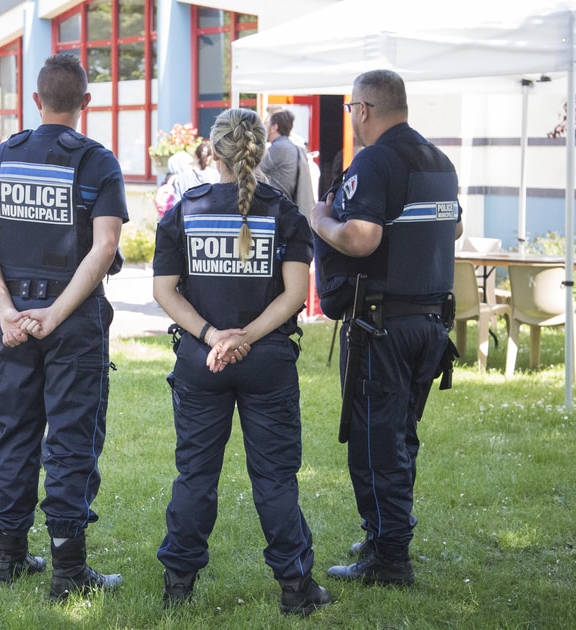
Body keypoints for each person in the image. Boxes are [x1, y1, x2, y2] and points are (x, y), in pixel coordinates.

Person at [151, 108, 330, 617]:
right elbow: (296, 295)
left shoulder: (185, 210)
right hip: (266, 360)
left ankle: (178, 586)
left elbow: (165, 291)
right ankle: (296, 588)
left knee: (195, 475)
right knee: (274, 478)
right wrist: (243, 337)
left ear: (215, 149)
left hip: (200, 361)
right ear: (259, 147)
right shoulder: (284, 214)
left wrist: (214, 337)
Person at [0, 53, 128, 601]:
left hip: (14, 322)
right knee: (72, 440)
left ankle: (10, 558)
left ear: (36, 101)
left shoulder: (3, 158)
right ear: (86, 103)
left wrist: (8, 311)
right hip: (73, 322)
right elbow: (105, 246)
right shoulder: (97, 162)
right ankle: (67, 570)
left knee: (12, 434)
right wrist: (54, 314)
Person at [309, 69, 462, 587]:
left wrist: (320, 220)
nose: (352, 118)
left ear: (365, 109)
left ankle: (390, 559)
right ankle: (385, 533)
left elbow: (361, 237)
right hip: (430, 324)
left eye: (352, 109)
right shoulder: (438, 158)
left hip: (382, 324)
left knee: (376, 443)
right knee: (401, 437)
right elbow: (454, 224)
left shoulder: (375, 160)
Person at [259, 109, 298, 199]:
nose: (264, 127)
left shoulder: (280, 147)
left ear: (274, 127)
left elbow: (255, 170)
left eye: (266, 124)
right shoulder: (285, 145)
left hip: (277, 206)